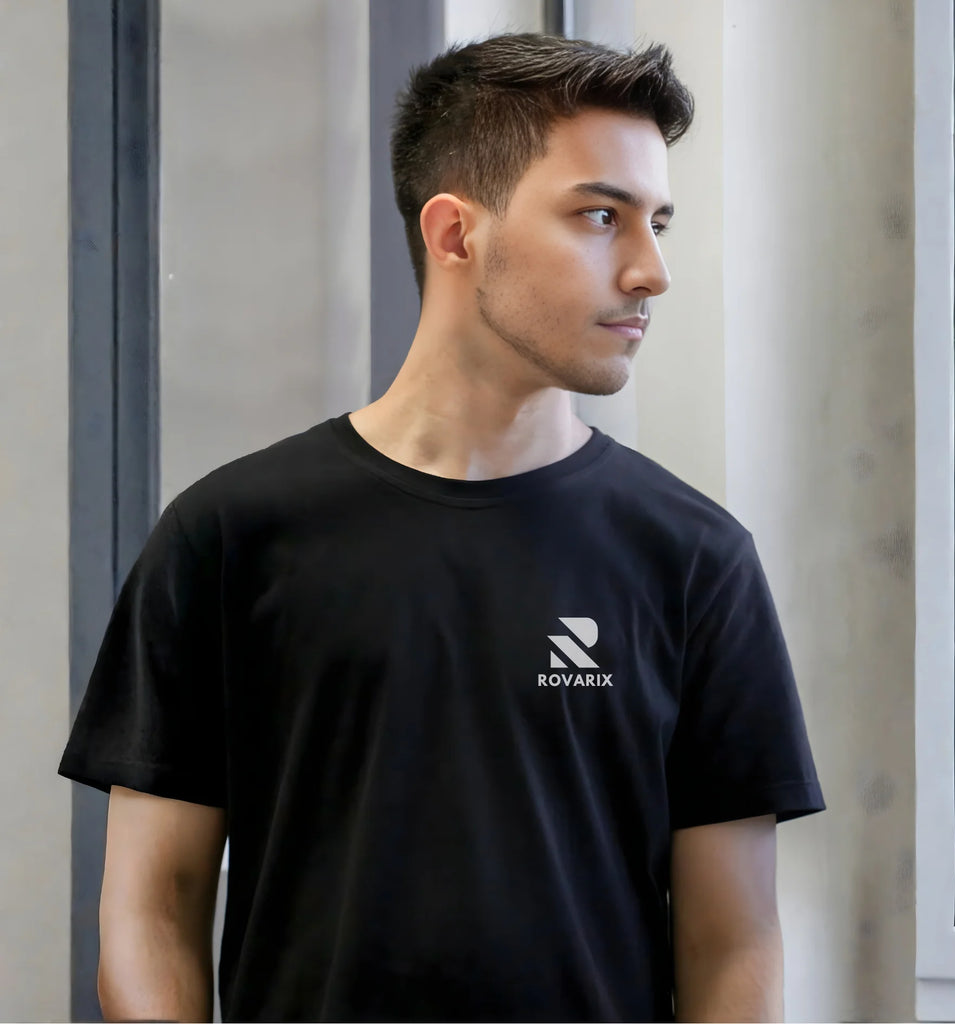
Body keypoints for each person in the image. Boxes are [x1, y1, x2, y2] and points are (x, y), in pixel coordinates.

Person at [59, 31, 825, 1023]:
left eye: (658, 223)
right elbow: (149, 912)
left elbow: (734, 944)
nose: (649, 271)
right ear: (455, 232)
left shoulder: (694, 560)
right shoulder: (228, 536)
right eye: (601, 216)